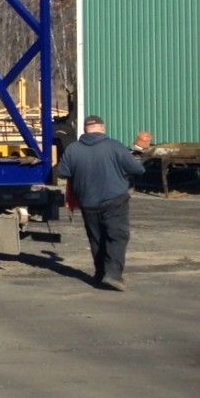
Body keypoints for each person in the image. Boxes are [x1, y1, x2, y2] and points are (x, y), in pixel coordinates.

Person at [56, 115, 144, 290]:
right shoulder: (115, 146)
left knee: (96, 238)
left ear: (84, 129)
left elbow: (62, 173)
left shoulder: (73, 149)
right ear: (102, 128)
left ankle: (100, 274)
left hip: (88, 203)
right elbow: (138, 169)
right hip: (115, 200)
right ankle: (113, 275)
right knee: (116, 237)